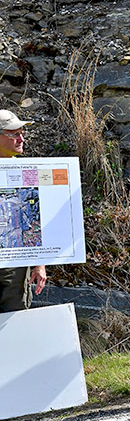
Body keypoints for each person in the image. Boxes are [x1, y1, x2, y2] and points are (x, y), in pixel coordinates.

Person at [0, 109, 47, 313]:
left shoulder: (27, 173)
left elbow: (35, 219)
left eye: (21, 133)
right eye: (14, 134)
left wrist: (39, 264)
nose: (21, 139)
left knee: (13, 319)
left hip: (14, 265)